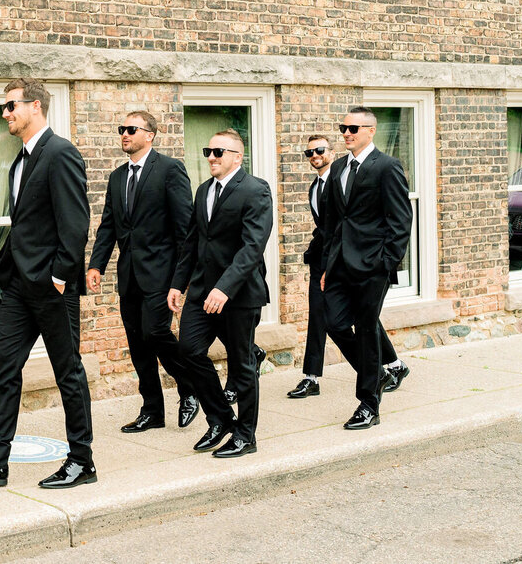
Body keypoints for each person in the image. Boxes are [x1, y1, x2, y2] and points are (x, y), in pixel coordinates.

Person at [0, 78, 96, 489]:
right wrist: (0, 275)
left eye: (11, 105)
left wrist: (59, 277)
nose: (5, 113)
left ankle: (82, 461)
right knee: (5, 370)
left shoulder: (61, 153)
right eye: (5, 107)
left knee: (68, 374)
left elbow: (75, 223)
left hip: (52, 289)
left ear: (35, 106)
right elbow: (23, 227)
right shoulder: (20, 161)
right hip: (18, 289)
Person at [87, 111, 199, 433]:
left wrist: (181, 280)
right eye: (121, 129)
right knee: (138, 345)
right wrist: (96, 264)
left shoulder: (169, 170)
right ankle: (152, 411)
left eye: (131, 129)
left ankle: (190, 385)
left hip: (161, 274)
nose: (124, 134)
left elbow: (185, 230)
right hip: (129, 276)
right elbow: (109, 226)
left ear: (150, 135)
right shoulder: (117, 177)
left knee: (156, 333)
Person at [168, 130, 272, 459]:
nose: (211, 157)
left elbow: (252, 248)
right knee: (189, 350)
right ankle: (221, 419)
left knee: (242, 365)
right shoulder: (203, 191)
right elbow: (193, 242)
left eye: (218, 152)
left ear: (237, 157)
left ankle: (246, 435)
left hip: (239, 295)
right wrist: (178, 283)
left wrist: (224, 288)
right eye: (208, 151)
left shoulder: (256, 190)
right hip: (202, 291)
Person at [289, 134, 404, 399]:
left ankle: (387, 368)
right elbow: (327, 226)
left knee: (360, 317)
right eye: (309, 153)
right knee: (326, 316)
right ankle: (314, 376)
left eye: (319, 150)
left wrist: (384, 262)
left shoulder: (345, 179)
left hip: (349, 260)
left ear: (332, 152)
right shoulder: (315, 186)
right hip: (325, 258)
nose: (314, 156)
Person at [320, 107, 413, 430]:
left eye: (353, 128)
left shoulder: (387, 166)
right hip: (339, 265)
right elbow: (333, 221)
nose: (346, 133)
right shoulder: (338, 167)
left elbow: (400, 221)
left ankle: (368, 404)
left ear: (371, 131)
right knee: (333, 323)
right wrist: (326, 265)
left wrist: (385, 264)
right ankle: (378, 374)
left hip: (373, 266)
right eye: (343, 128)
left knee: (366, 328)